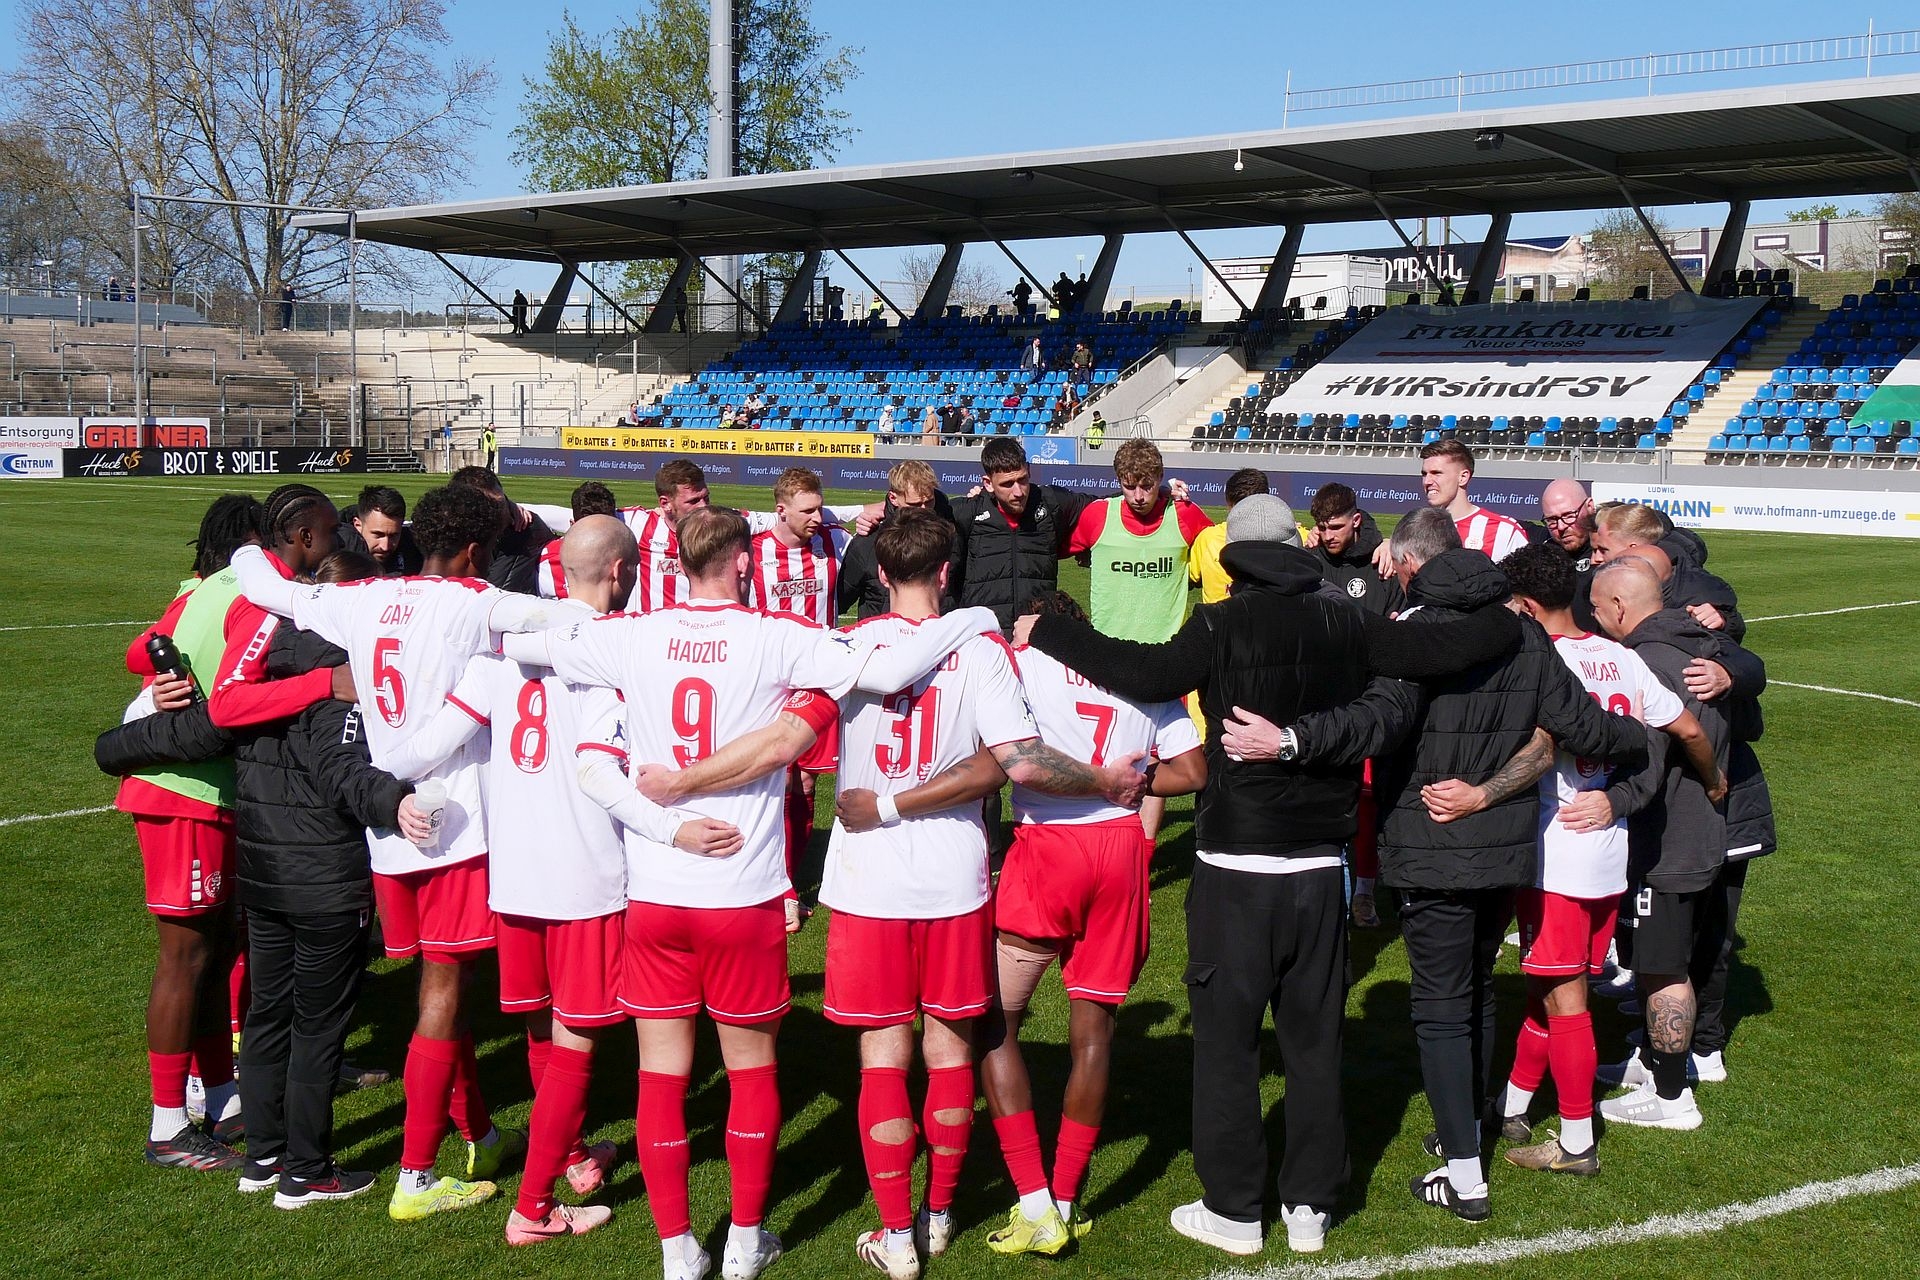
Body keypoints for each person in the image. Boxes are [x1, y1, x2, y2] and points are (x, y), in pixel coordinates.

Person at [499, 506, 1004, 1280]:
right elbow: (886, 671)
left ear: (672, 562)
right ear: (743, 562)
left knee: (661, 1074)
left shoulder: (629, 636)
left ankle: (677, 1250)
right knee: (751, 1070)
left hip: (658, 890)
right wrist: (973, 615)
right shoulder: (779, 636)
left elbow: (524, 647)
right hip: (744, 887)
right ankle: (743, 1240)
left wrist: (668, 822)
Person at [1014, 494, 1396, 1257]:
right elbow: (1387, 709)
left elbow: (1148, 671)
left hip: (1237, 865)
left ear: (1236, 556)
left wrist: (1048, 631)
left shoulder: (1222, 622)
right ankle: (1310, 1206)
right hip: (1321, 864)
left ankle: (1234, 1209)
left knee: (1227, 1043)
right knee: (1314, 1042)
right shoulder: (1350, 621)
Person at [225, 485, 587, 1222]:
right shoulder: (475, 602)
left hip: (386, 836)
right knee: (454, 996)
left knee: (439, 994)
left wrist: (246, 545)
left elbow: (259, 581)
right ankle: (418, 1176)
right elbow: (567, 618)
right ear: (478, 550)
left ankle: (481, 1136)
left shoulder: (358, 598)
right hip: (453, 829)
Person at [1281, 508, 1649, 1224]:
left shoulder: (1416, 637)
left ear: (1416, 574)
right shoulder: (1522, 634)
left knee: (1443, 1008)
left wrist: (1296, 739)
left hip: (1434, 844)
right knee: (1476, 987)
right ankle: (1473, 1127)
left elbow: (1378, 724)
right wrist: (1637, 734)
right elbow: (1581, 725)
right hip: (1503, 846)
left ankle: (1464, 1174)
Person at [372, 518, 733, 1246]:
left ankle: (568, 1156)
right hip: (584, 877)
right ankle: (533, 1208)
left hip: (512, 879)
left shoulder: (501, 652)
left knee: (543, 1026)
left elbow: (431, 743)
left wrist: (372, 787)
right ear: (622, 573)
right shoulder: (616, 649)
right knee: (575, 1043)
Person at [978, 591, 1205, 1254]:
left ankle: (1033, 1201)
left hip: (1048, 848)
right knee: (1095, 1036)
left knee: (993, 1024)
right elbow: (1194, 771)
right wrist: (1134, 783)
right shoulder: (1137, 673)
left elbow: (995, 756)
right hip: (1121, 855)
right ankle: (1069, 1197)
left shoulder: (1018, 666)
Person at [1490, 545, 1723, 1176]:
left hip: (1555, 852)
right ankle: (1513, 1106)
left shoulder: (1538, 661)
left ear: (1526, 606)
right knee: (1547, 991)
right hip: (1609, 855)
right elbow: (1690, 731)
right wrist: (1714, 782)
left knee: (1567, 1005)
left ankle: (1576, 1142)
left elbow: (1531, 751)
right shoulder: (1622, 657)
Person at [114, 494, 266, 1171]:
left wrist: (162, 673)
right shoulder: (236, 590)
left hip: (204, 791)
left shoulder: (206, 590)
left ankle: (223, 1097)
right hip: (183, 795)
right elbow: (142, 655)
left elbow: (141, 648)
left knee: (214, 950)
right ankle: (167, 1124)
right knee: (185, 956)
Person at [1586, 558, 1733, 1134]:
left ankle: (1672, 1096)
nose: (1595, 620)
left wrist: (1610, 803)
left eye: (1597, 609)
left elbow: (1646, 764)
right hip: (1702, 829)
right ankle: (1653, 1063)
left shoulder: (1645, 663)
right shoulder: (1703, 649)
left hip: (1669, 841)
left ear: (1620, 607)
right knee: (1668, 961)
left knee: (1662, 969)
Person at [1064, 438, 1210, 858]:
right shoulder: (1099, 516)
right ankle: (1098, 838)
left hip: (1165, 663)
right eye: (1130, 486)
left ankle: (1141, 854)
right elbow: (1051, 544)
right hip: (1104, 662)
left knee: (1154, 760)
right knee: (1101, 756)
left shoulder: (1185, 516)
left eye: (1147, 485)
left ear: (1160, 478)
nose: (1139, 495)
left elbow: (1222, 548)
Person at [1303, 482, 1400, 929]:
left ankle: (1364, 891)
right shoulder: (1311, 559)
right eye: (1321, 527)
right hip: (1318, 699)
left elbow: (1398, 625)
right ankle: (1323, 888)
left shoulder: (1383, 562)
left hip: (1369, 700)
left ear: (1357, 520)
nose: (1328, 536)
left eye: (1336, 527)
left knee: (1367, 800)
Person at [945, 437, 1096, 635]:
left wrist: (1091, 546)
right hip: (983, 642)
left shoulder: (1050, 503)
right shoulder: (967, 513)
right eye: (1007, 484)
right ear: (988, 484)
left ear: (1029, 471)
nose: (1018, 492)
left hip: (1037, 640)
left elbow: (1105, 510)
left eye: (1022, 480)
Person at [1373, 441, 1528, 575]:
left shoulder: (1504, 531)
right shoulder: (1414, 530)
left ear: (1463, 477)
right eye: (1424, 474)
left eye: (1436, 473)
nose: (1427, 481)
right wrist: (1390, 546)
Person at [838, 461, 952, 621]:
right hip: (882, 634)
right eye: (914, 504)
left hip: (938, 633)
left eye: (929, 502)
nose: (924, 510)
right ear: (893, 498)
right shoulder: (868, 542)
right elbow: (839, 601)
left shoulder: (952, 531)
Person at [448, 466, 556, 596]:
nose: (501, 513)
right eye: (491, 507)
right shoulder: (458, 527)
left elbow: (496, 595)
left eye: (501, 504)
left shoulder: (522, 530)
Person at [1187, 468, 1267, 607]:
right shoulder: (1292, 536)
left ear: (1228, 502)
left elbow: (1181, 578)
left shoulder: (1209, 539)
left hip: (1218, 618)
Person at [336, 485, 420, 576]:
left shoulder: (413, 545)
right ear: (358, 525)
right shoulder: (336, 549)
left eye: (393, 536)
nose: (385, 547)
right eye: (378, 535)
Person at [1540, 479, 1596, 575]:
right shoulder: (1544, 550)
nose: (1561, 527)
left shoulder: (1612, 550)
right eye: (1552, 519)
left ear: (1589, 507)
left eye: (1569, 516)